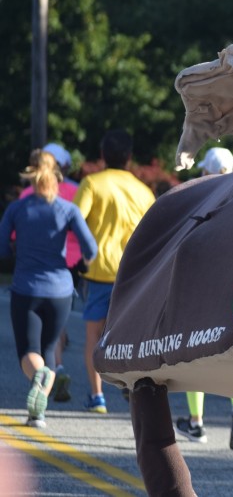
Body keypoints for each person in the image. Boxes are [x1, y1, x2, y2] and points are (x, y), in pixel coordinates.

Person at [1, 149, 97, 428]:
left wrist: (11, 254)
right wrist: (81, 265)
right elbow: (90, 247)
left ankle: (38, 377)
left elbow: (1, 244)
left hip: (26, 288)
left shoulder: (18, 208)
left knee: (28, 351)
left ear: (30, 174)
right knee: (50, 347)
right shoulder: (68, 209)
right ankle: (38, 413)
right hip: (61, 290)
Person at [173, 146, 233, 450]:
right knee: (230, 350)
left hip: (202, 283)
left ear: (206, 170)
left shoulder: (201, 196)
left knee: (196, 351)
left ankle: (196, 423)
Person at [74, 129, 156, 414]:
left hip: (98, 271)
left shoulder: (92, 184)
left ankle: (97, 397)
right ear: (130, 157)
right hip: (132, 274)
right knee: (124, 335)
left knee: (93, 336)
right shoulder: (143, 191)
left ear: (101, 155)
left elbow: (75, 219)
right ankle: (127, 384)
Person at [17, 142, 81, 403]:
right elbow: (84, 230)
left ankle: (47, 371)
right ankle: (57, 368)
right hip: (69, 265)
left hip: (31, 274)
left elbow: (12, 235)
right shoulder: (75, 191)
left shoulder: (25, 198)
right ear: (62, 167)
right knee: (57, 322)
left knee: (35, 336)